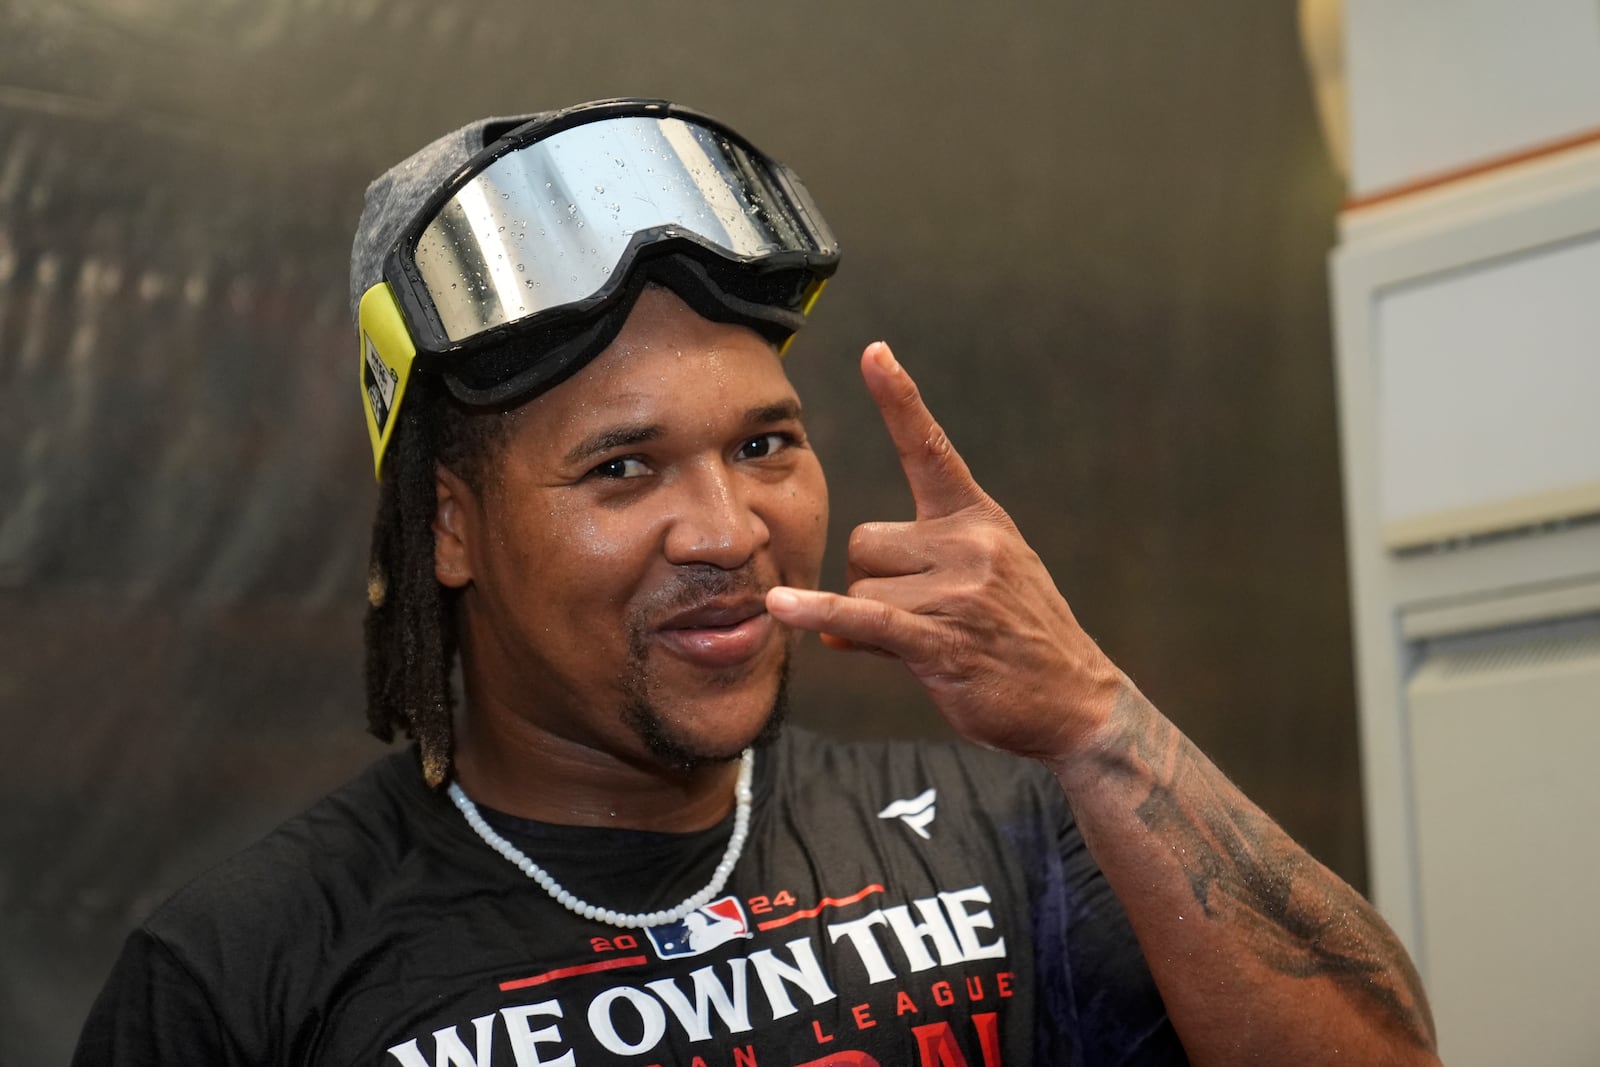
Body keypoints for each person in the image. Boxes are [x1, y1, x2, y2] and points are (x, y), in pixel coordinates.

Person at [74, 99, 1440, 1066]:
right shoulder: (248, 975)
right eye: (623, 469)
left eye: (765, 445)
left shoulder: (1015, 836)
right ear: (449, 527)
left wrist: (1096, 721)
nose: (726, 528)